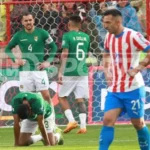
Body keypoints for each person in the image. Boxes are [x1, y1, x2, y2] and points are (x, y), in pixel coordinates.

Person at [99, 9, 150, 150]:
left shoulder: (133, 36)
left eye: (108, 22)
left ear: (118, 22)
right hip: (115, 88)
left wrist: (137, 68)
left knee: (138, 124)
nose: (105, 26)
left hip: (133, 88)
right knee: (108, 120)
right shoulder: (108, 37)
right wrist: (106, 70)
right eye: (104, 23)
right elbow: (106, 53)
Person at [5, 12, 57, 105]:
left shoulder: (42, 33)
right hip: (25, 70)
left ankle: (50, 118)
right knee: (26, 98)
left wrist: (48, 61)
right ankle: (30, 119)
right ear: (22, 22)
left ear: (33, 20)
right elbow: (7, 49)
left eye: (30, 20)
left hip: (39, 69)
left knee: (46, 95)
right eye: (26, 20)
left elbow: (54, 47)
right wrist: (16, 60)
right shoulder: (18, 35)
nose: (28, 22)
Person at [58, 15, 90, 134]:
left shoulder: (67, 36)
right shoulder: (87, 37)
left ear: (69, 25)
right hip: (82, 71)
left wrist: (60, 71)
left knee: (62, 97)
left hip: (70, 70)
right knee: (79, 98)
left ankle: (71, 120)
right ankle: (83, 126)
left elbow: (65, 53)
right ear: (80, 25)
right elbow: (86, 54)